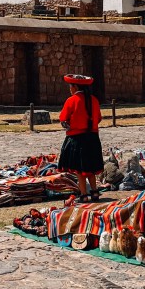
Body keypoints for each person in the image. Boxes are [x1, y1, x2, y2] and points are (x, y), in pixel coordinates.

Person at [58, 73, 104, 203]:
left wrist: (72, 126)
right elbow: (98, 118)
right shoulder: (94, 100)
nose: (70, 89)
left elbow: (63, 119)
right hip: (93, 138)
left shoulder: (71, 101)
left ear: (75, 86)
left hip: (77, 139)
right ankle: (94, 192)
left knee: (80, 169)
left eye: (70, 86)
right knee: (91, 168)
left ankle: (83, 194)